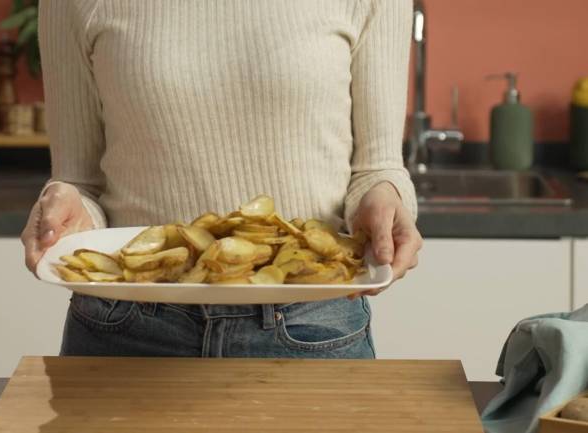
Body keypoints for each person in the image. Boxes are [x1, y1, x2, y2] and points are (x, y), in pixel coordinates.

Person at [23, 0, 422, 359]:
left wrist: (386, 197)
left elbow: (377, 168)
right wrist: (66, 207)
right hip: (125, 326)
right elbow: (80, 181)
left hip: (310, 327)